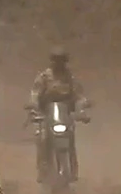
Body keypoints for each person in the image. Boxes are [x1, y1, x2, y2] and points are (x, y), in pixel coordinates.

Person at [28, 48, 90, 181]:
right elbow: (35, 94)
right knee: (43, 139)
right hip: (47, 116)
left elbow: (78, 95)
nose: (59, 64)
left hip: (65, 116)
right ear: (52, 62)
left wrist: (82, 110)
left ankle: (73, 170)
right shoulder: (44, 77)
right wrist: (34, 108)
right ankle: (42, 171)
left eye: (61, 61)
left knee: (70, 140)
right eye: (56, 61)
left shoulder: (69, 78)